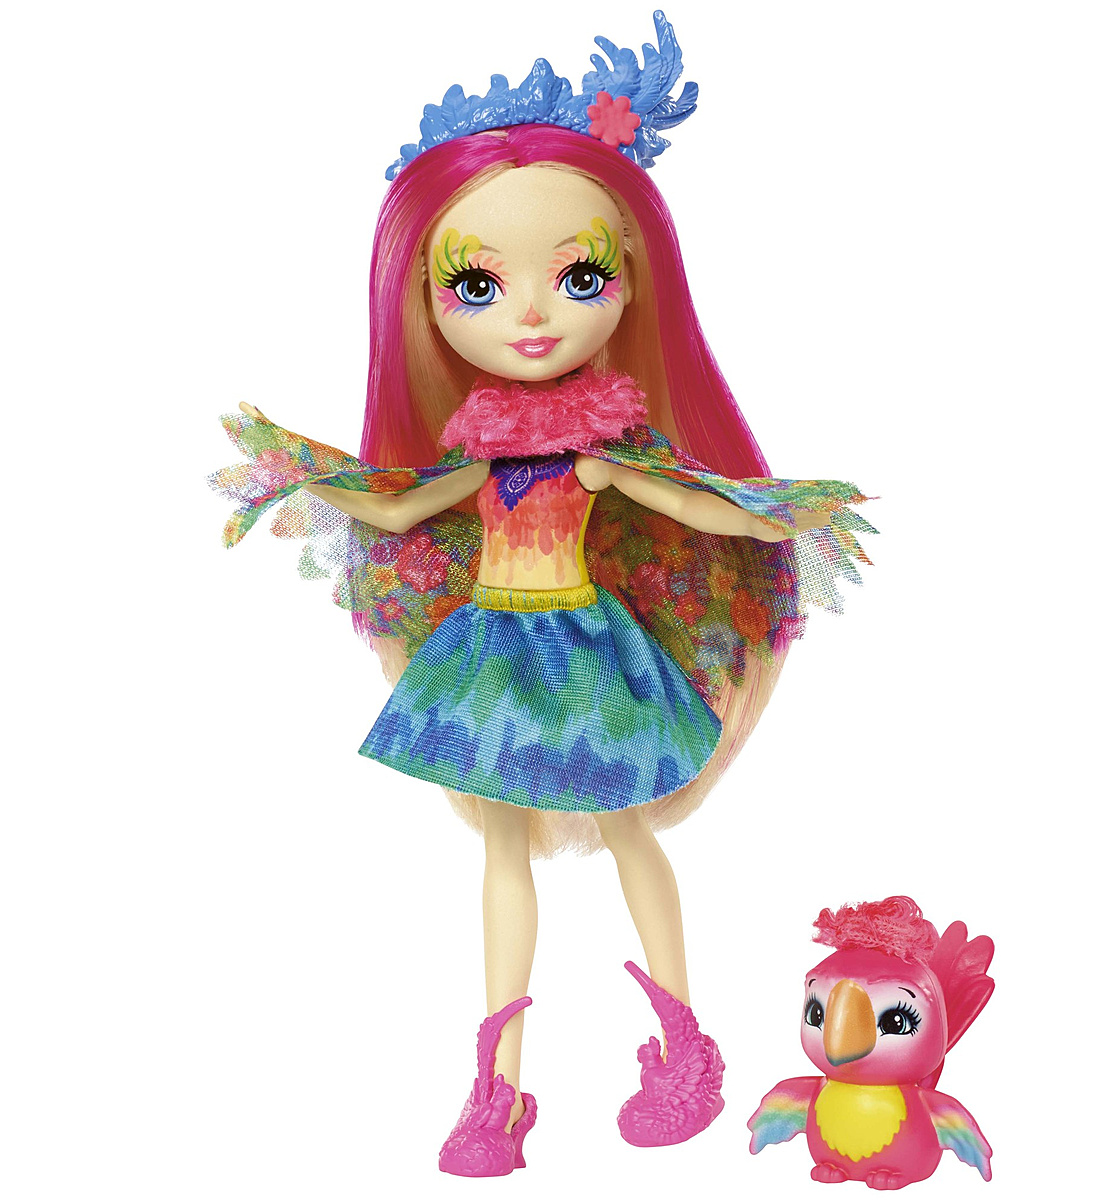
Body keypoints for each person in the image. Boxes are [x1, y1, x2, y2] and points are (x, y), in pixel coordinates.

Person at [211, 12, 873, 1176]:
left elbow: (692, 507)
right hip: (491, 655)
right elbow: (403, 510)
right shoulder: (479, 454)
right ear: (421, 297)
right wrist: (308, 475)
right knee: (501, 852)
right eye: (476, 282)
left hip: (584, 651)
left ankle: (682, 1044)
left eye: (578, 277)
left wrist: (777, 514)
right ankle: (498, 1085)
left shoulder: (597, 452)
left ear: (632, 283)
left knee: (625, 828)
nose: (530, 312)